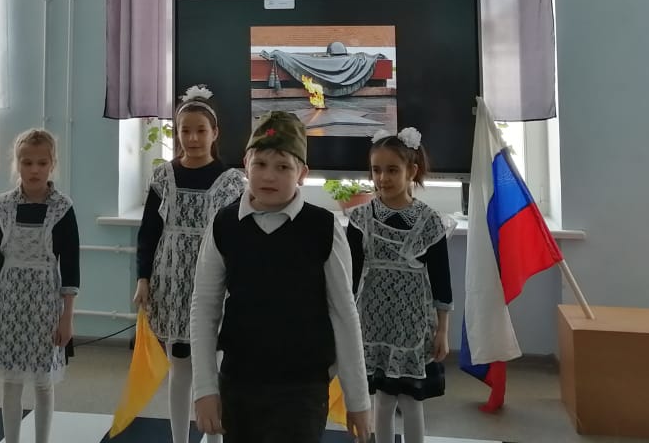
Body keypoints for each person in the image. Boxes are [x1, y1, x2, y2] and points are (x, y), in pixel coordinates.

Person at [190, 111, 372, 443]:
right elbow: (204, 307)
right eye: (260, 164)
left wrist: (358, 400)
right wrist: (204, 388)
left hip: (302, 388)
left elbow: (344, 314)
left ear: (302, 174)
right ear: (245, 165)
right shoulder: (225, 225)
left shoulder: (323, 228)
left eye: (283, 167)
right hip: (239, 382)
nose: (269, 175)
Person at [133, 85, 245, 443]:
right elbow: (149, 232)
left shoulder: (231, 181)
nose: (193, 138)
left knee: (211, 367)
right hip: (171, 282)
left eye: (200, 130)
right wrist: (143, 278)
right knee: (180, 368)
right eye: (185, 130)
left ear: (215, 133)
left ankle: (214, 438)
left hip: (214, 282)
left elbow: (239, 238)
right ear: (177, 133)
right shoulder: (163, 177)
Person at [0, 129, 79, 443]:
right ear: (17, 164)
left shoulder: (63, 208)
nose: (34, 170)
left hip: (45, 303)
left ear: (52, 165)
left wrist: (67, 317)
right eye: (27, 163)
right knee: (11, 383)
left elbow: (71, 267)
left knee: (42, 382)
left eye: (42, 163)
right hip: (9, 301)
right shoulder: (4, 206)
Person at [348, 128, 454, 443]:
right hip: (373, 322)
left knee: (410, 400)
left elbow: (442, 281)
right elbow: (350, 279)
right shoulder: (360, 219)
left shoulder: (430, 222)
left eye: (392, 170)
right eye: (376, 170)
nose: (383, 178)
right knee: (382, 399)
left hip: (413, 323)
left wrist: (442, 330)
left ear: (412, 171)